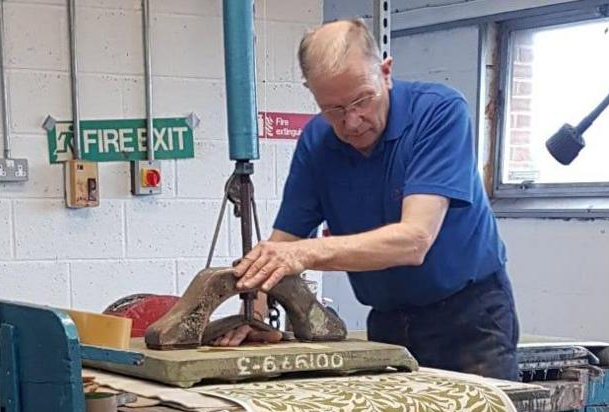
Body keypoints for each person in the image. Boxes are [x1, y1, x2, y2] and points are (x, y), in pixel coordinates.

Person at [215, 18, 520, 382]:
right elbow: (284, 244)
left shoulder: (439, 114)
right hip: (389, 321)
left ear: (385, 72)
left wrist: (304, 255)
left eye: (362, 100)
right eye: (334, 109)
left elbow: (415, 240)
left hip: (470, 320)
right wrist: (256, 314)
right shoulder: (317, 142)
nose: (352, 122)